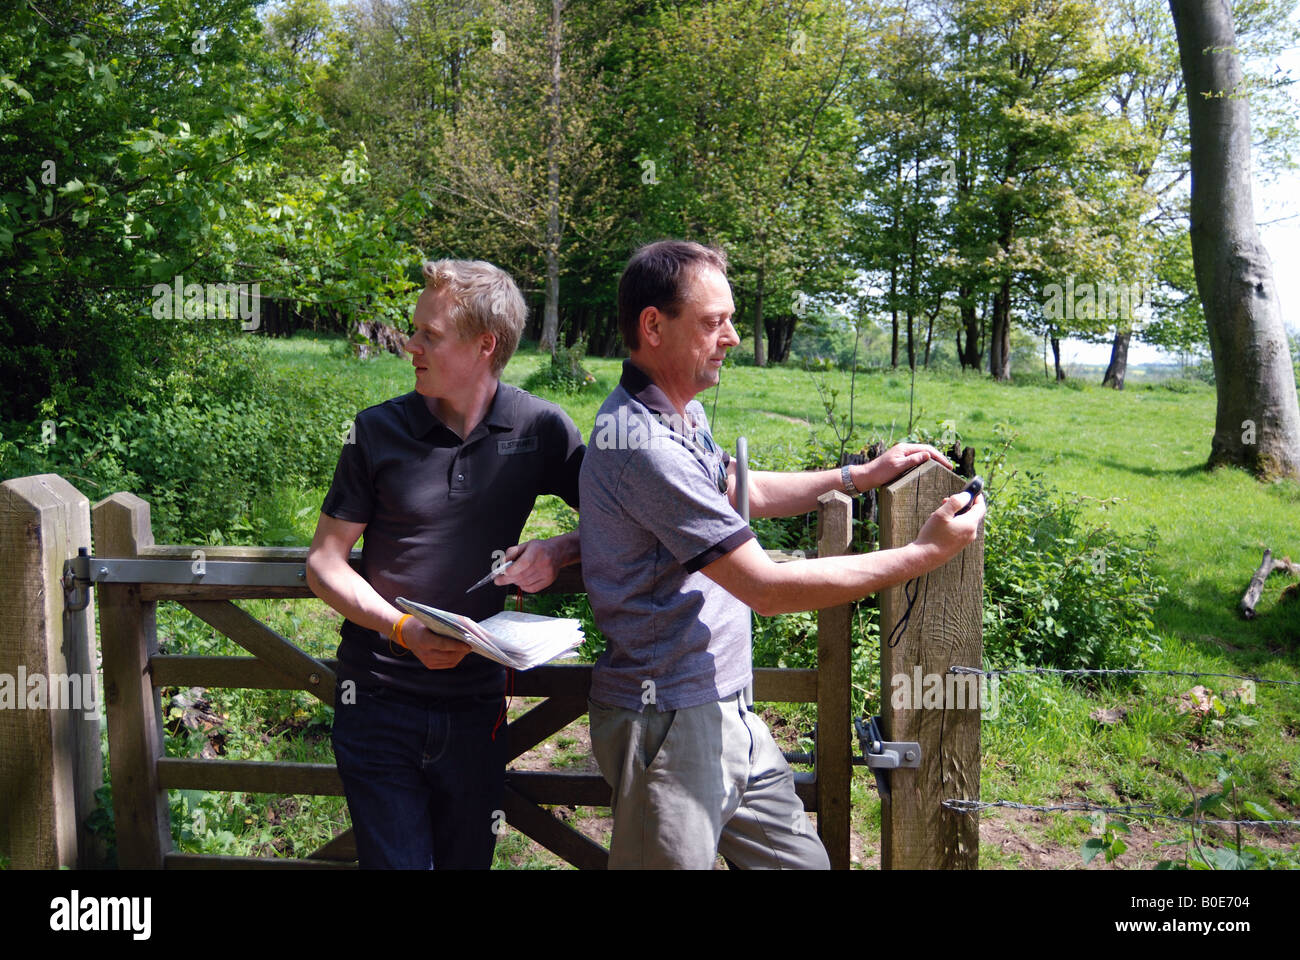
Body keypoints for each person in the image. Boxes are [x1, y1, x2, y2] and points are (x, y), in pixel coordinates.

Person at [580, 239, 986, 869]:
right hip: (666, 725)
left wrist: (858, 476)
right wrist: (923, 554)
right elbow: (767, 590)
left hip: (725, 710)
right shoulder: (643, 444)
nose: (734, 338)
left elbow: (743, 489)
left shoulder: (678, 415)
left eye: (731, 319)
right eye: (714, 322)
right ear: (653, 326)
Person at [306, 259, 584, 869]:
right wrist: (402, 630)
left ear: (485, 345)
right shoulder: (376, 431)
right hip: (376, 700)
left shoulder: (539, 427)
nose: (410, 346)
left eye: (429, 334)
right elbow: (324, 563)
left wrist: (561, 550)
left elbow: (626, 517)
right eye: (415, 330)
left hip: (476, 710)